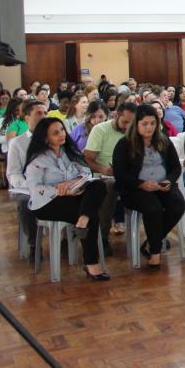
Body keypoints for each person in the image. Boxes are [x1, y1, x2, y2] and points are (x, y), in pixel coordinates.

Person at [24, 117, 110, 280]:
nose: (61, 134)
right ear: (45, 138)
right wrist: (59, 190)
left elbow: (86, 173)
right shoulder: (37, 160)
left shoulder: (69, 152)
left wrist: (72, 183)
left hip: (73, 196)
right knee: (92, 215)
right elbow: (35, 189)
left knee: (98, 185)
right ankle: (91, 264)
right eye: (55, 133)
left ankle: (82, 220)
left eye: (62, 130)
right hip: (47, 203)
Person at [112, 104, 185, 270]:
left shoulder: (163, 141)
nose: (149, 127)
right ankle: (155, 252)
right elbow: (120, 174)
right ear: (136, 124)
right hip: (135, 189)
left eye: (153, 123)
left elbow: (175, 167)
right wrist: (141, 184)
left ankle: (150, 242)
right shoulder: (124, 144)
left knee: (178, 205)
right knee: (153, 208)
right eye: (145, 123)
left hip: (161, 185)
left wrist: (169, 181)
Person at [84, 102, 137, 254]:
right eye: (125, 122)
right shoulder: (100, 129)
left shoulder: (134, 132)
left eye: (131, 123)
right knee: (110, 186)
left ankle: (155, 235)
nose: (127, 127)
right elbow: (88, 159)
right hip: (103, 175)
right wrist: (104, 169)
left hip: (127, 174)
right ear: (116, 116)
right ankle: (102, 236)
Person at [6, 100, 50, 252]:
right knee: (25, 202)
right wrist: (30, 186)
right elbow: (13, 173)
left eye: (45, 113)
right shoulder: (17, 143)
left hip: (53, 185)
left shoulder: (54, 138)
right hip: (29, 187)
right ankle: (34, 243)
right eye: (39, 113)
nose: (43, 116)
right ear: (26, 117)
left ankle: (65, 238)